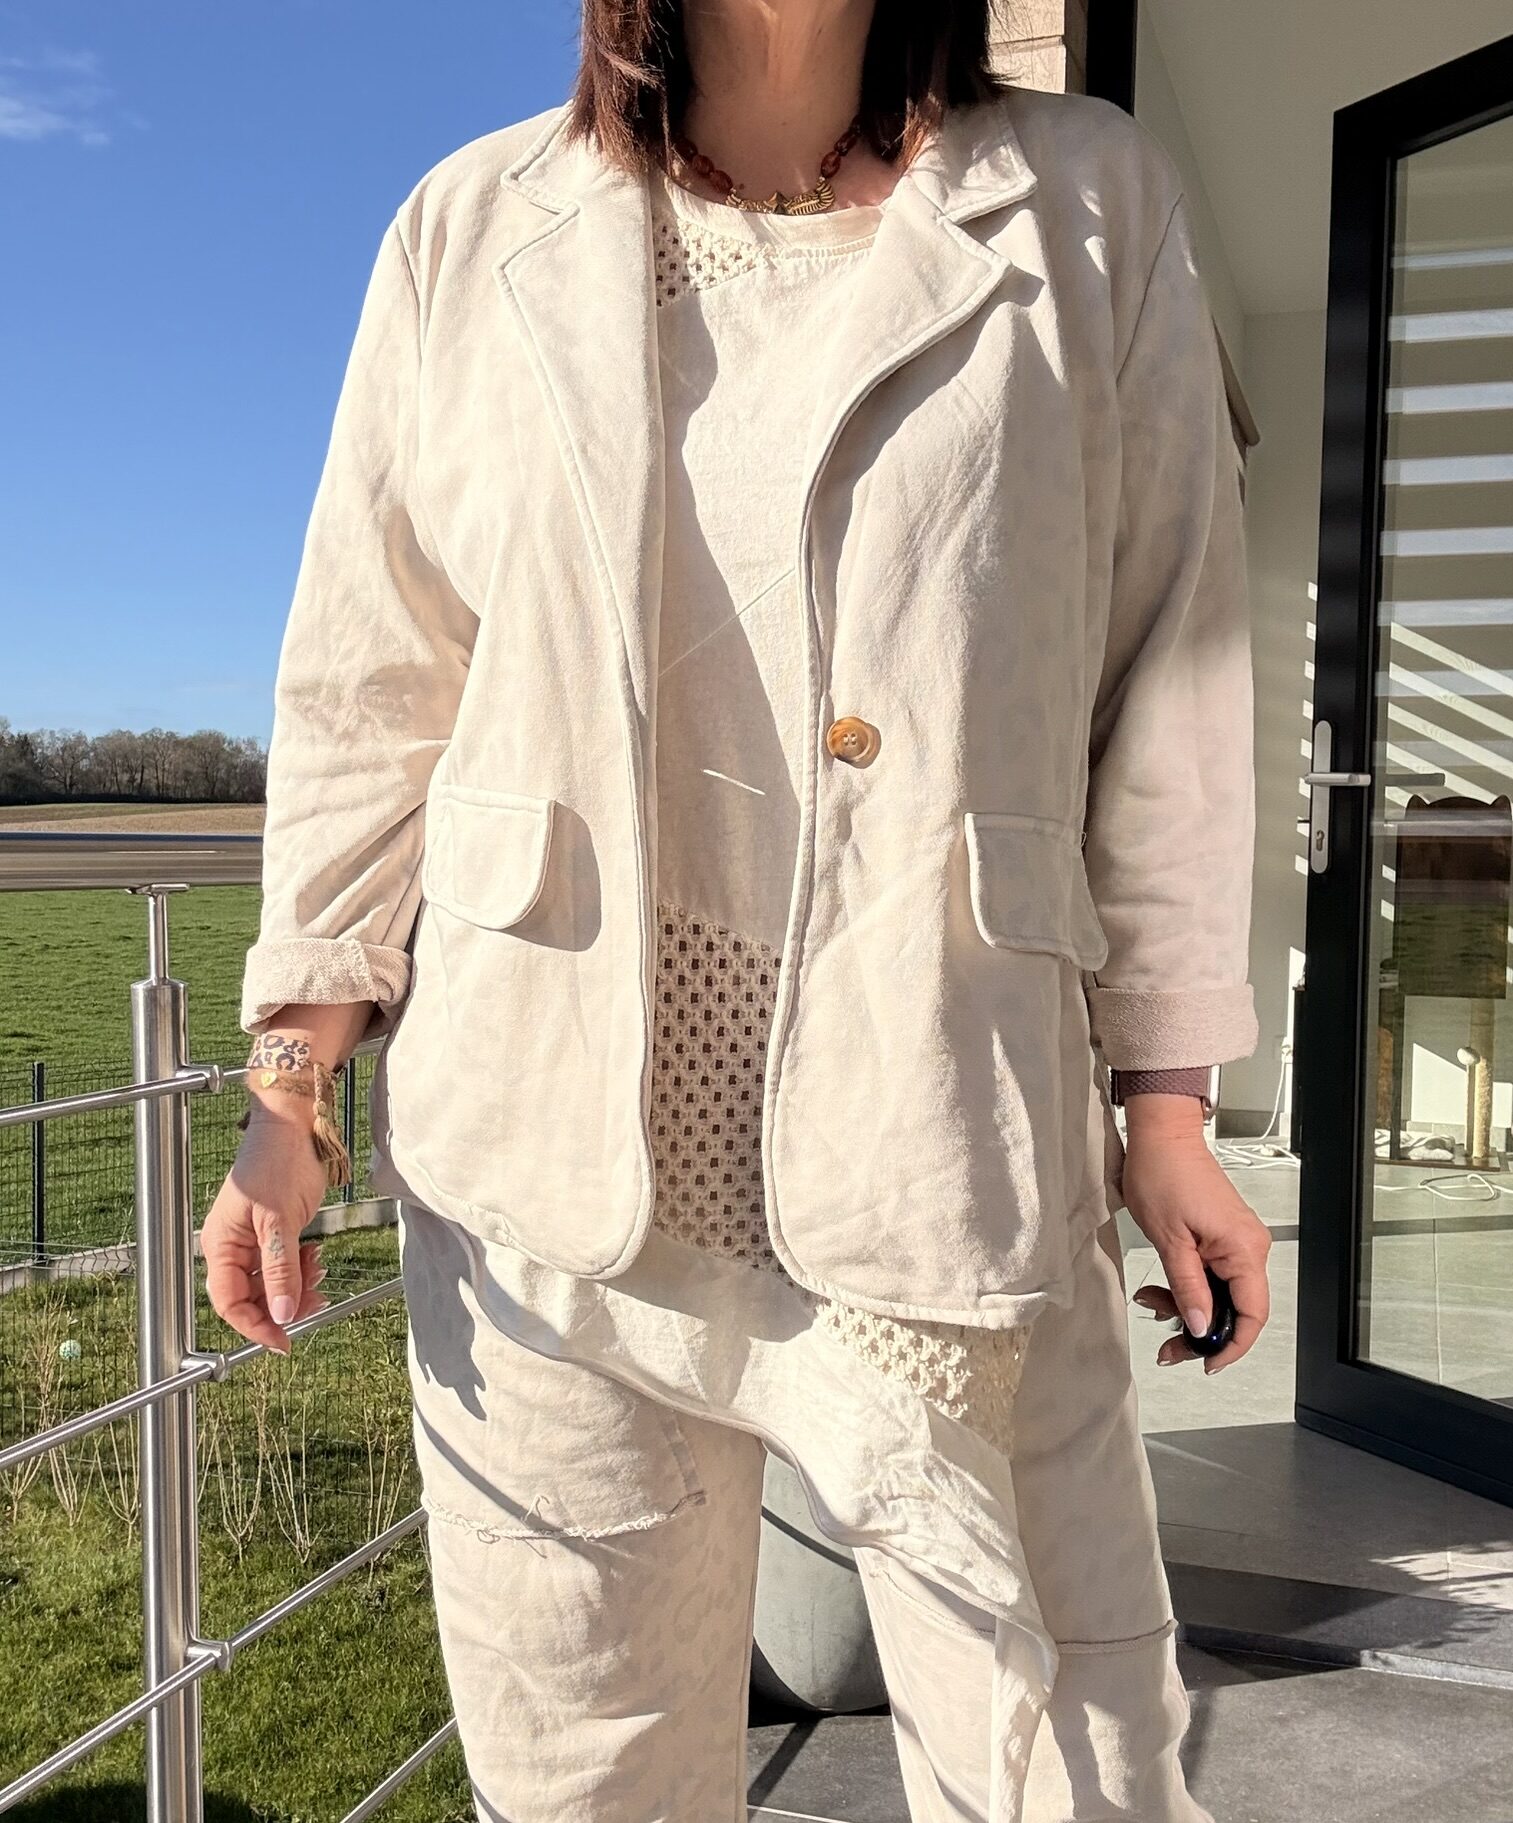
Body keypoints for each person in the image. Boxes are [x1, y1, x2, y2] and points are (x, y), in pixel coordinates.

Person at [205, 1, 1273, 1816]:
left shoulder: (1090, 197)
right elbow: (372, 678)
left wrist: (1163, 1106)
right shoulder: (470, 223)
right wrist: (291, 1088)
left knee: (1065, 1759)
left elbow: (1169, 664)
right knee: (584, 1773)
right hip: (548, 1155)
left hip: (944, 1124)